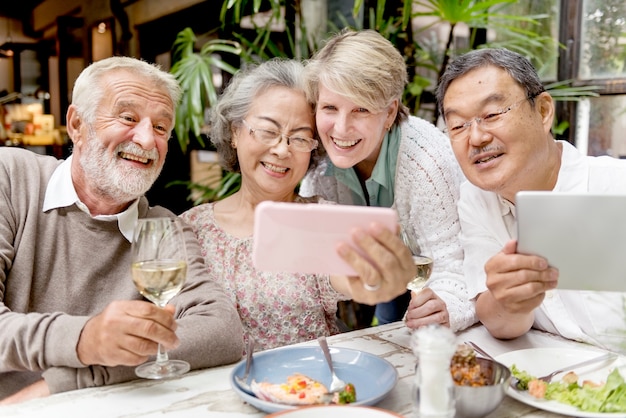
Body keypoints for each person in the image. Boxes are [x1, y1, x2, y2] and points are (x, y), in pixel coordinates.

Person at [0, 56, 244, 404]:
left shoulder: (162, 227)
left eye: (161, 128)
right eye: (128, 118)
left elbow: (221, 331)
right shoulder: (9, 178)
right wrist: (84, 338)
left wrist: (82, 374)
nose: (147, 140)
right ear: (76, 124)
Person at [180, 58, 414, 351]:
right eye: (267, 130)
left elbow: (353, 278)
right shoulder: (191, 228)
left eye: (300, 138)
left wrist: (377, 278)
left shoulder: (320, 221)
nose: (281, 149)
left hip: (307, 386)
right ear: (234, 132)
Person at [436, 47, 626, 353]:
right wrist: (507, 300)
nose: (476, 138)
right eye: (458, 126)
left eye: (492, 115)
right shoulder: (477, 200)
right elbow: (498, 320)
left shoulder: (617, 187)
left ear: (543, 112)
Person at [300, 29, 476, 331]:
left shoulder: (427, 161)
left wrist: (443, 308)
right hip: (386, 279)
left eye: (361, 109)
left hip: (444, 279)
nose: (341, 129)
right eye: (330, 107)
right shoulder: (316, 165)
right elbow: (314, 269)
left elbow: (456, 269)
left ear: (390, 111)